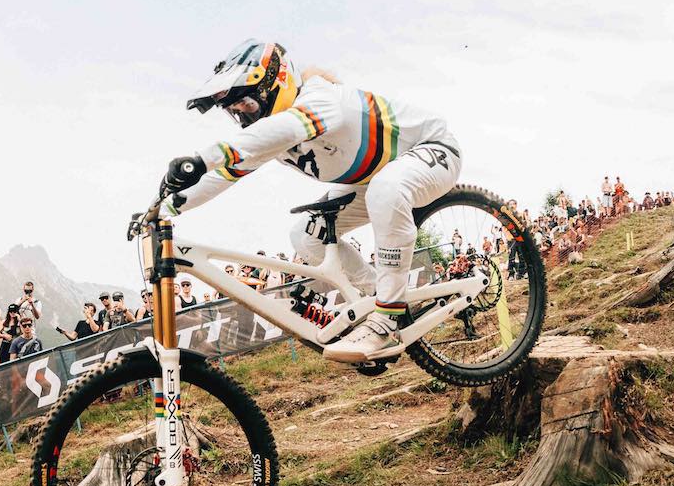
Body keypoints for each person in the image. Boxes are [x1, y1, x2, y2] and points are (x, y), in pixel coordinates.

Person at [165, 40, 461, 363]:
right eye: (236, 112)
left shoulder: (320, 98)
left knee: (385, 190)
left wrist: (204, 157)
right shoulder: (272, 135)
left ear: (275, 84)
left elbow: (281, 130)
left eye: (247, 105)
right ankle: (382, 295)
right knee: (305, 236)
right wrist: (164, 207)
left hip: (432, 150)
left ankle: (388, 315)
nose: (244, 117)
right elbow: (222, 175)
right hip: (369, 181)